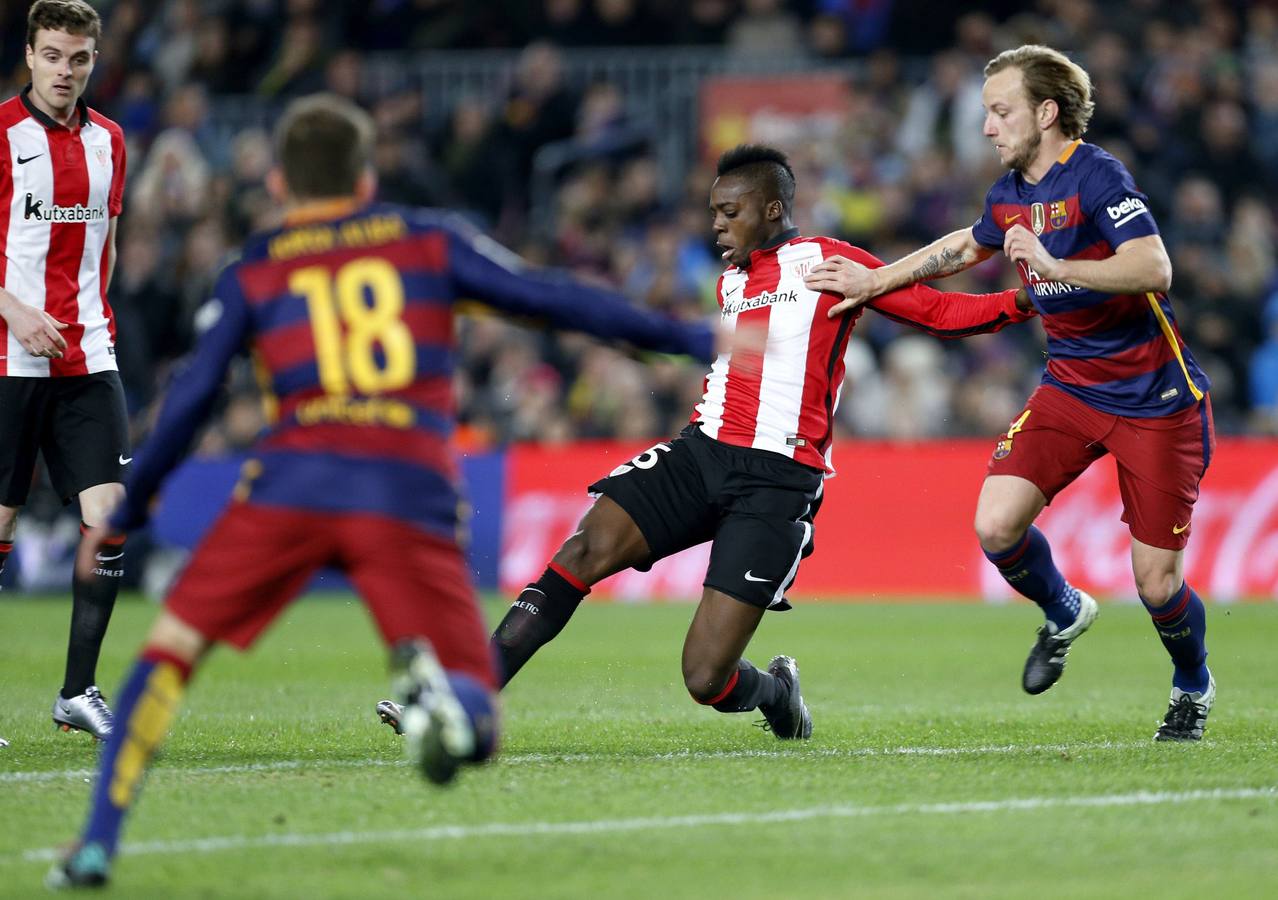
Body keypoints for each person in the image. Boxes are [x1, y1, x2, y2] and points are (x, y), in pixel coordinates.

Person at [46, 92, 718, 890]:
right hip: (407, 490)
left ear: (282, 187)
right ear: (367, 178)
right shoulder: (426, 241)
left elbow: (193, 399)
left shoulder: (258, 266)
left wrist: (127, 509)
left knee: (168, 655)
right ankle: (442, 706)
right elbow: (552, 297)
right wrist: (689, 338)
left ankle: (95, 845)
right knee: (480, 722)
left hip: (290, 484)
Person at [384, 144, 1031, 742]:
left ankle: (775, 692)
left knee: (704, 677)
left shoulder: (829, 264)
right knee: (582, 549)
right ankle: (459, 697)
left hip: (777, 480)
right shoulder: (727, 284)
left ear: (772, 209)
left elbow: (941, 313)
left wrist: (1027, 300)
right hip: (700, 454)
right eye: (712, 212)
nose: (717, 225)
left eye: (731, 211)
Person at [803, 45, 1216, 741]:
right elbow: (966, 246)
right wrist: (876, 282)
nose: (987, 127)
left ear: (1046, 113)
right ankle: (1063, 610)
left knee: (1157, 586)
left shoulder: (1096, 174)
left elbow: (1155, 266)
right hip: (1072, 389)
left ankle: (1192, 684)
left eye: (1001, 112)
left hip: (1156, 402)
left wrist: (1058, 265)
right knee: (995, 525)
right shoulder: (1012, 194)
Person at [0, 0, 128, 743]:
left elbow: (106, 245)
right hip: (9, 355)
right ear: (29, 55)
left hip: (87, 356)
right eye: (52, 55)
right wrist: (13, 310)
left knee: (109, 520)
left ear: (91, 62)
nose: (64, 71)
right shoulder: (2, 133)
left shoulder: (111, 140)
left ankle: (77, 692)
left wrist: (96, 323)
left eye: (77, 58)